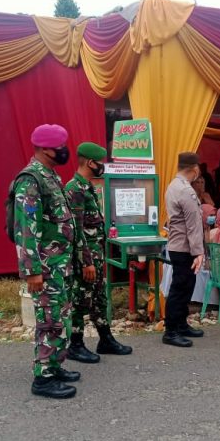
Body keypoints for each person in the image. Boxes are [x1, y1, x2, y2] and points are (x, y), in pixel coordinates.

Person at [12, 124, 84, 399]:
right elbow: (26, 230)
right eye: (60, 147)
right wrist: (31, 272)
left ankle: (55, 365)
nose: (65, 151)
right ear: (44, 149)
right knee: (49, 320)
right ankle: (43, 378)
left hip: (59, 265)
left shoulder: (50, 176)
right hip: (45, 266)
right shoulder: (30, 180)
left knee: (60, 316)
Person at [64, 142, 132, 364]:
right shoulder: (74, 189)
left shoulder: (87, 187)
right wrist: (86, 262)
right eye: (100, 161)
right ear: (90, 162)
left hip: (96, 256)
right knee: (81, 300)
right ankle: (75, 344)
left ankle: (105, 339)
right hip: (86, 259)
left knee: (99, 299)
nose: (102, 165)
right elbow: (76, 229)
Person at [163, 152, 206, 347]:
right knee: (180, 289)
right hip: (184, 247)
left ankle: (181, 324)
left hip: (179, 245)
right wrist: (198, 252)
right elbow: (193, 225)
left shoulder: (174, 185)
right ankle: (171, 331)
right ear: (195, 169)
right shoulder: (185, 191)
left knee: (185, 286)